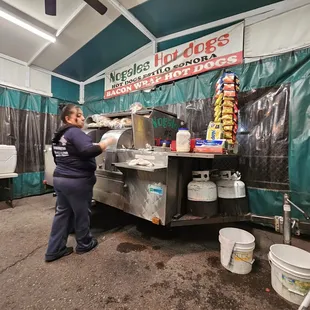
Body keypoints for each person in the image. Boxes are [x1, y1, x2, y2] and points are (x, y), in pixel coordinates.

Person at [45, 104, 115, 262]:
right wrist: (105, 143)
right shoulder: (75, 132)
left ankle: (54, 250)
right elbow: (88, 150)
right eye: (78, 115)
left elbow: (57, 159)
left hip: (60, 179)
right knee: (82, 213)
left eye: (82, 115)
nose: (83, 118)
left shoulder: (59, 136)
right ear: (68, 119)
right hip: (77, 182)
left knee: (62, 214)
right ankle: (84, 243)